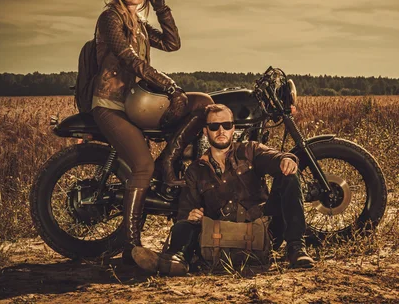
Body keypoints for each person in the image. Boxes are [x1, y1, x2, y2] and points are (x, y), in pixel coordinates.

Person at [91, 0, 213, 265]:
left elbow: (173, 43)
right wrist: (169, 86)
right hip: (111, 105)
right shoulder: (110, 18)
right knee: (142, 166)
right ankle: (130, 246)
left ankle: (169, 163)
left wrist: (161, 7)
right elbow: (129, 58)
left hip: (136, 103)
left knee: (202, 103)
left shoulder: (140, 24)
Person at [132, 103, 315, 275]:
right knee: (185, 226)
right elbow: (184, 214)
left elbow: (273, 157)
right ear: (205, 131)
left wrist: (286, 159)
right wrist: (191, 215)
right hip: (221, 238)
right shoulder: (195, 170)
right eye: (214, 126)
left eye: (226, 125)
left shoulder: (249, 150)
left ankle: (296, 248)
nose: (221, 131)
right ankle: (176, 260)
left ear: (233, 128)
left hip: (264, 232)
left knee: (288, 174)